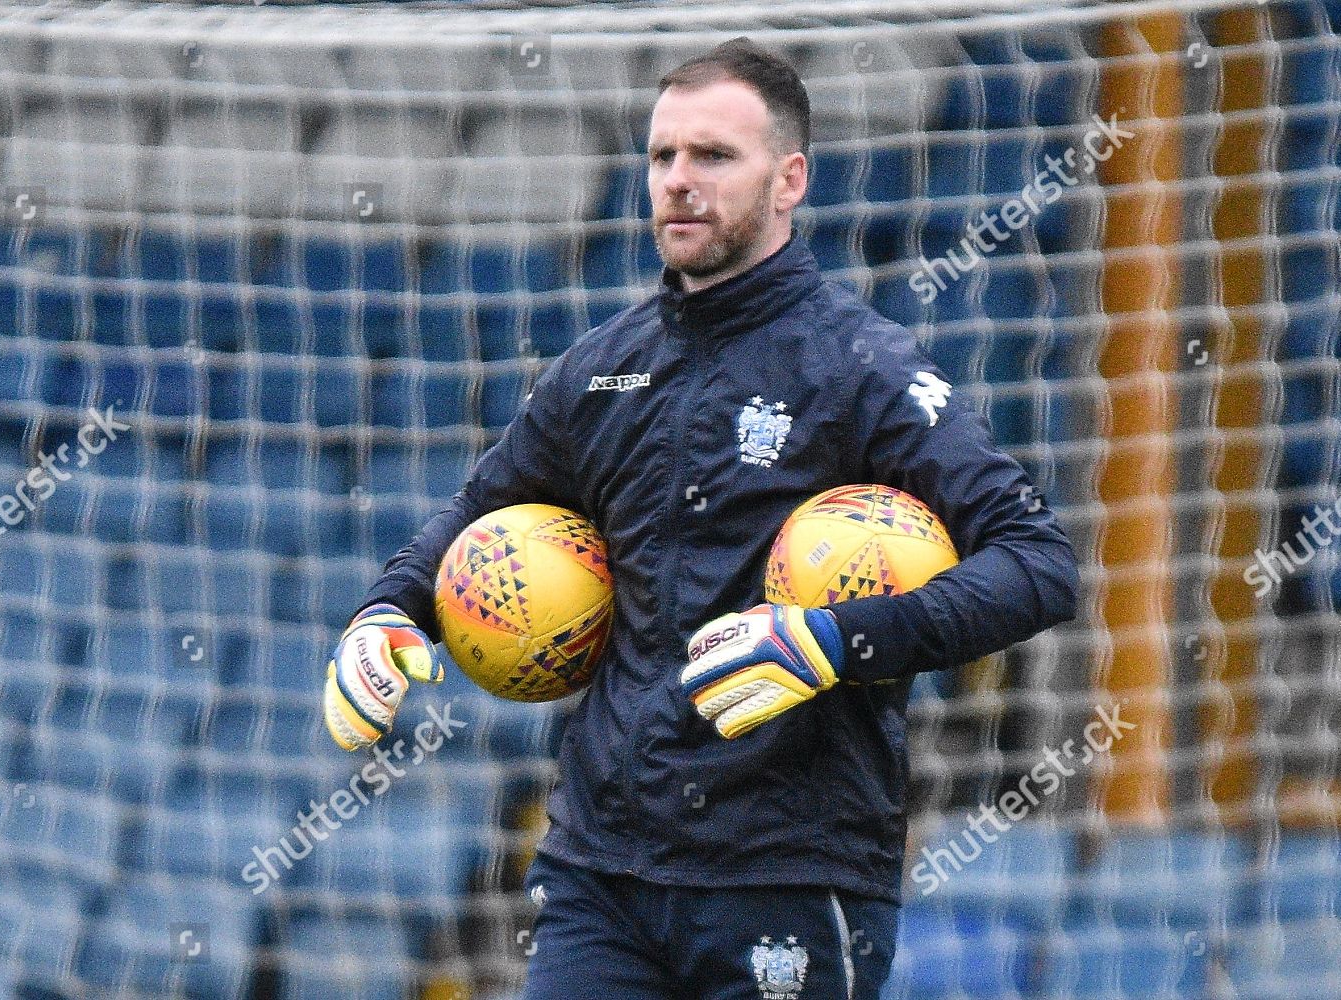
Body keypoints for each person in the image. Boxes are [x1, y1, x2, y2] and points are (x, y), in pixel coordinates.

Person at [322, 37, 1079, 1000]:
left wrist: (834, 640)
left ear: (789, 178)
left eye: (713, 156)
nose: (679, 181)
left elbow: (1038, 562)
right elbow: (479, 511)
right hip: (603, 875)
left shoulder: (864, 369)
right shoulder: (599, 368)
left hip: (790, 878)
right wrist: (389, 610)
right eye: (663, 156)